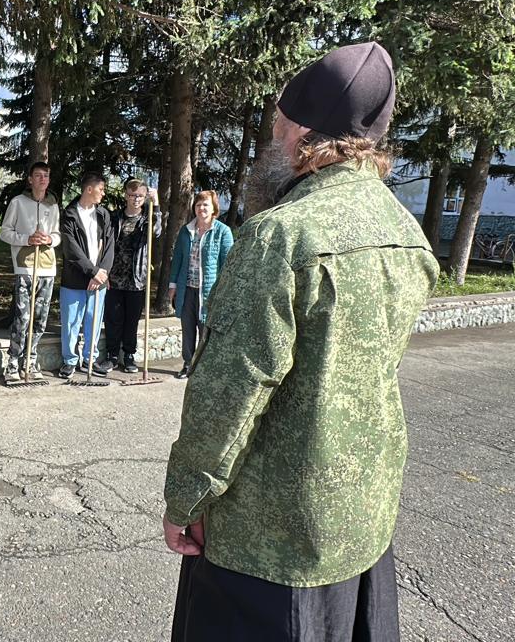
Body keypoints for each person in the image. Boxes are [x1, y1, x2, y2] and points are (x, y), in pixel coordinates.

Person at [163, 41, 439, 641]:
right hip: (361, 513)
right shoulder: (404, 230)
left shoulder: (281, 235)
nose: (272, 137)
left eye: (278, 123)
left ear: (303, 134)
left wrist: (185, 499)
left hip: (270, 537)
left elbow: (231, 391)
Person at [0, 162, 61, 381]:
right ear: (30, 179)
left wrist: (50, 239)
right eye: (38, 175)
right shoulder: (18, 202)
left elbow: (57, 234)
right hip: (25, 267)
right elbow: (4, 232)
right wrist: (26, 239)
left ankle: (31, 360)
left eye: (46, 175)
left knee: (40, 319)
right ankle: (13, 362)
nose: (43, 179)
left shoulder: (53, 205)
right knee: (22, 318)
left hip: (47, 268)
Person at [167, 190, 233, 379]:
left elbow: (228, 264)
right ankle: (188, 364)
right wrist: (172, 285)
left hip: (210, 291)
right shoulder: (186, 231)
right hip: (187, 289)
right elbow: (177, 259)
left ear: (213, 208)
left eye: (205, 204)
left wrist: (224, 291)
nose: (201, 208)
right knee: (187, 328)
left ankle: (205, 368)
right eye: (198, 204)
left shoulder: (222, 231)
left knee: (206, 329)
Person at [57, 172, 115, 379]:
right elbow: (71, 249)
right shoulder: (70, 214)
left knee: (94, 322)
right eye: (101, 189)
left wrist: (101, 273)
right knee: (71, 323)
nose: (103, 193)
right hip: (74, 279)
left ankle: (90, 359)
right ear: (89, 189)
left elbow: (109, 246)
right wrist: (92, 272)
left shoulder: (103, 214)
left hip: (99, 280)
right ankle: (69, 361)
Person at [101, 180, 160, 373]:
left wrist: (156, 204)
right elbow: (105, 243)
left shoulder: (146, 219)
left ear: (145, 197)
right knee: (113, 319)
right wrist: (103, 271)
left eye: (140, 196)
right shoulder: (115, 217)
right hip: (114, 278)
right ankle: (111, 356)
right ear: (126, 195)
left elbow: (156, 231)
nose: (136, 199)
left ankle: (128, 355)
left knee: (131, 321)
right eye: (133, 195)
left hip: (136, 280)